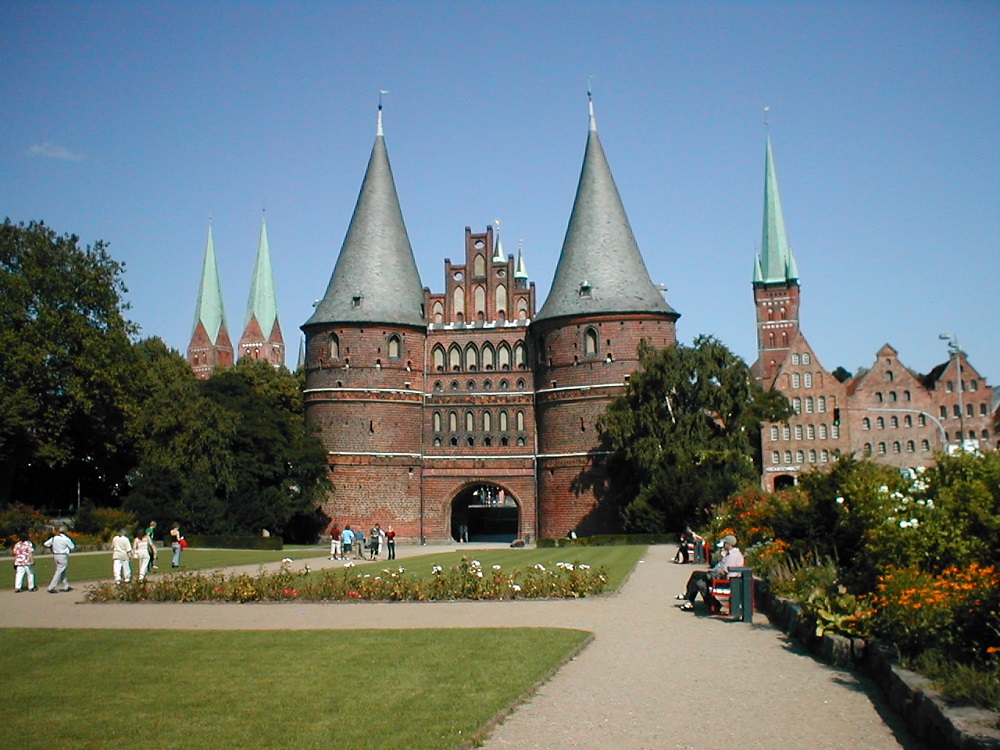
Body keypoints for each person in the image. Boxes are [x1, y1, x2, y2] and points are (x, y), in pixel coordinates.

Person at [676, 534, 744, 612]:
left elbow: (724, 570)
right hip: (719, 575)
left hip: (723, 579)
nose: (724, 545)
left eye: (725, 543)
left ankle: (689, 598)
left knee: (697, 576)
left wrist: (712, 572)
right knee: (698, 580)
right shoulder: (730, 554)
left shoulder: (733, 556)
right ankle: (690, 600)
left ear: (728, 544)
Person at [43, 525, 76, 593]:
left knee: (62, 571)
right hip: (62, 555)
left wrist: (53, 548)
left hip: (55, 555)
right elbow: (72, 547)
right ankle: (51, 587)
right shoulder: (66, 539)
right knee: (59, 571)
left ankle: (66, 586)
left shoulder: (54, 538)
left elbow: (46, 544)